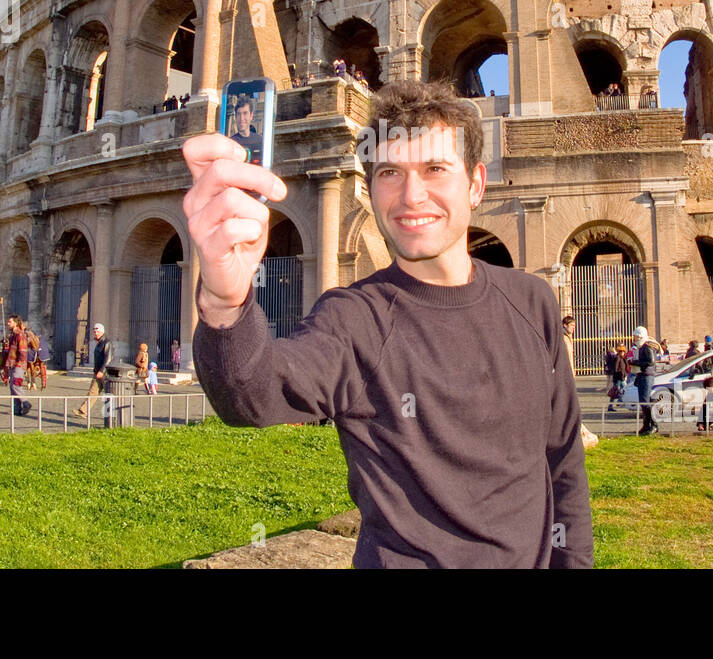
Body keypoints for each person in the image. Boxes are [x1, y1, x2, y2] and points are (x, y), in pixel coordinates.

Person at [184, 79, 591, 567]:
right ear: (370, 188)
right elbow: (252, 394)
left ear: (476, 184)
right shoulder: (353, 319)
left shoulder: (533, 301)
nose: (411, 195)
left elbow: (562, 458)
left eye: (435, 168)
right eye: (391, 172)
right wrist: (225, 301)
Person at [74, 323, 112, 419]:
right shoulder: (99, 343)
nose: (95, 333)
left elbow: (108, 359)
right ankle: (83, 411)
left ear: (102, 332)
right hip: (97, 372)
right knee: (92, 392)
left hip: (104, 373)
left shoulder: (107, 342)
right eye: (94, 331)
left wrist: (102, 371)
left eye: (97, 331)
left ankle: (111, 415)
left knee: (109, 394)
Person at [630, 326, 662, 435]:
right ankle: (646, 424)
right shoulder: (642, 346)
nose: (634, 339)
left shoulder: (647, 347)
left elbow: (650, 362)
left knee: (645, 401)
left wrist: (636, 363)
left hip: (647, 375)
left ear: (640, 336)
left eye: (636, 337)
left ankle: (653, 425)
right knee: (643, 401)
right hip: (643, 374)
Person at [5, 315, 31, 416]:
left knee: (16, 384)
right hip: (12, 364)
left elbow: (23, 351)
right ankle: (16, 409)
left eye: (10, 322)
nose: (8, 324)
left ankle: (25, 402)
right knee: (12, 387)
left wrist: (20, 363)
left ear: (15, 323)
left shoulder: (20, 335)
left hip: (18, 364)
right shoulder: (13, 335)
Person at [227, 96, 264, 166]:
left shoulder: (260, 141)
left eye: (245, 113)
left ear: (251, 116)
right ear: (235, 117)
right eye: (239, 114)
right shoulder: (231, 143)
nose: (241, 118)